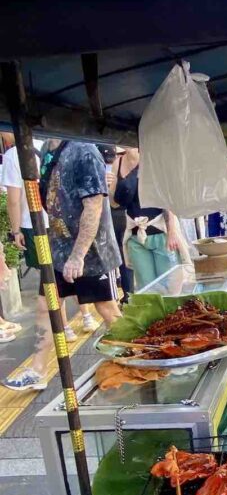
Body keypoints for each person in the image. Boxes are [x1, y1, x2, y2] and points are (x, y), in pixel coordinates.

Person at [4, 140, 122, 393]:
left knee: (107, 309)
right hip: (59, 249)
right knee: (46, 305)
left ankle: (137, 359)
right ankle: (37, 369)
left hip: (93, 252)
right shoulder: (48, 149)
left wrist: (78, 255)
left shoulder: (85, 151)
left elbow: (94, 205)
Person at [2, 140, 99, 344]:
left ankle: (63, 327)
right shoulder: (50, 146)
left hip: (36, 225)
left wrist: (15, 230)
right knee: (71, 275)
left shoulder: (15, 154)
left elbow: (13, 198)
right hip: (65, 224)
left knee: (51, 282)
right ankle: (87, 316)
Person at [112, 148, 187, 290]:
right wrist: (109, 186)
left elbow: (168, 198)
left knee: (169, 285)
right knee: (146, 287)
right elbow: (114, 203)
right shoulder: (118, 162)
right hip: (135, 235)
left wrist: (172, 231)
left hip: (160, 231)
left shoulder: (154, 159)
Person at [102, 146, 133, 301]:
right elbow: (112, 199)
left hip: (127, 215)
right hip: (115, 215)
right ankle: (128, 294)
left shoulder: (121, 163)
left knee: (125, 255)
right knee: (123, 256)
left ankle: (129, 294)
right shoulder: (117, 164)